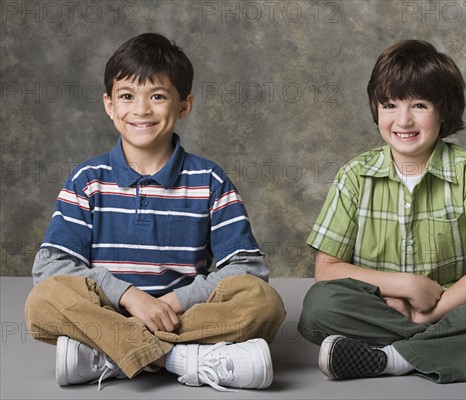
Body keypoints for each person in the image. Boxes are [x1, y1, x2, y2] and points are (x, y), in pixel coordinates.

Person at [24, 33, 286, 392]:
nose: (142, 110)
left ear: (184, 105)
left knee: (263, 303)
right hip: (108, 312)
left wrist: (176, 301)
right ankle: (181, 359)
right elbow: (50, 266)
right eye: (127, 96)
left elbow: (248, 268)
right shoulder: (88, 180)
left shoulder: (208, 179)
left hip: (181, 316)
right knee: (42, 301)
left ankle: (115, 356)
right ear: (109, 105)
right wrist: (129, 296)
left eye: (158, 96)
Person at [298, 40, 466, 384]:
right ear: (376, 109)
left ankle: (392, 358)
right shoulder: (354, 175)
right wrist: (405, 285)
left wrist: (431, 313)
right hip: (383, 308)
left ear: (444, 111)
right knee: (319, 306)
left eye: (419, 105)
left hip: (460, 306)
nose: (403, 120)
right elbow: (327, 269)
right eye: (389, 104)